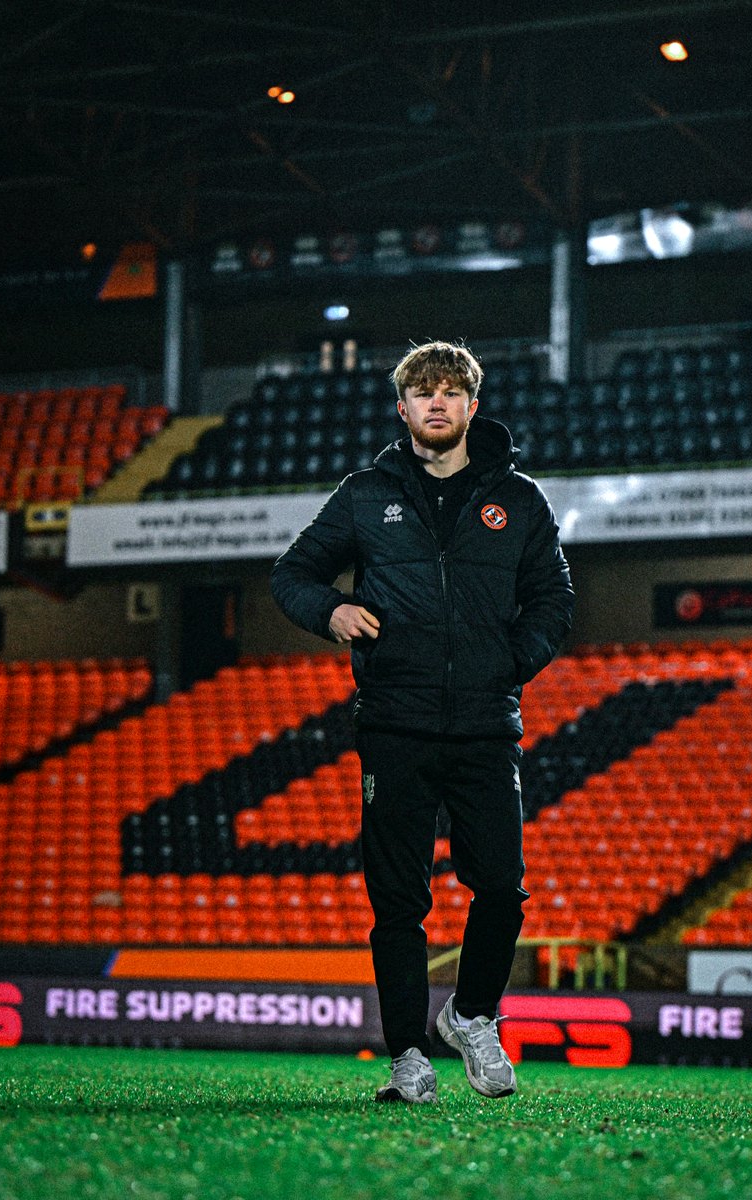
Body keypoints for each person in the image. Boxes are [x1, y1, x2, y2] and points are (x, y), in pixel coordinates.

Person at [271, 340, 574, 1103]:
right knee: (399, 903)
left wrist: (509, 662)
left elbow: (554, 601)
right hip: (395, 723)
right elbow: (293, 574)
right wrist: (330, 608)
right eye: (421, 391)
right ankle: (408, 1055)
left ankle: (472, 1016)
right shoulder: (365, 494)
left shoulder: (522, 500)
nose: (436, 403)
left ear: (473, 405)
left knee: (502, 889)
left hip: (484, 722)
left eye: (450, 391)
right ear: (401, 408)